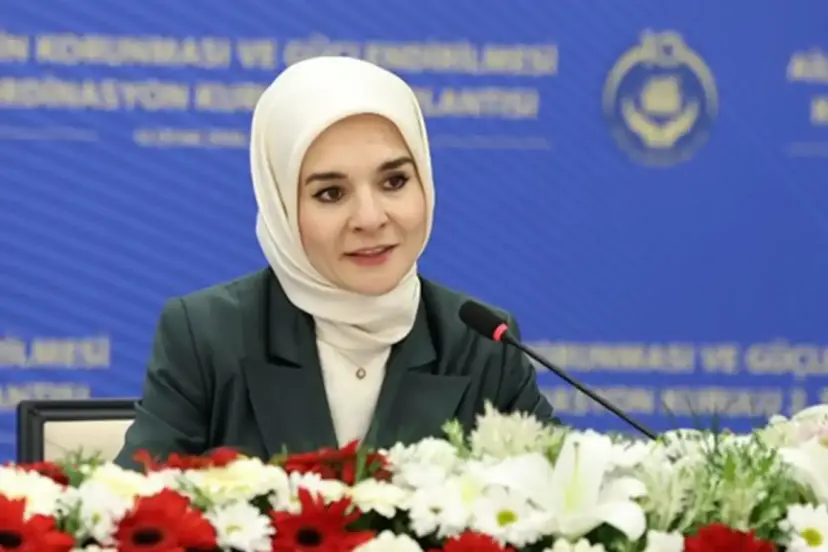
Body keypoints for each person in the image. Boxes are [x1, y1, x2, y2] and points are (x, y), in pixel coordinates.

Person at [114, 56, 555, 469]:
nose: (370, 218)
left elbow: (557, 495)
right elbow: (133, 506)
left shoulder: (482, 344)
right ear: (283, 207)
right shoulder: (208, 336)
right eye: (331, 193)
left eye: (394, 181)